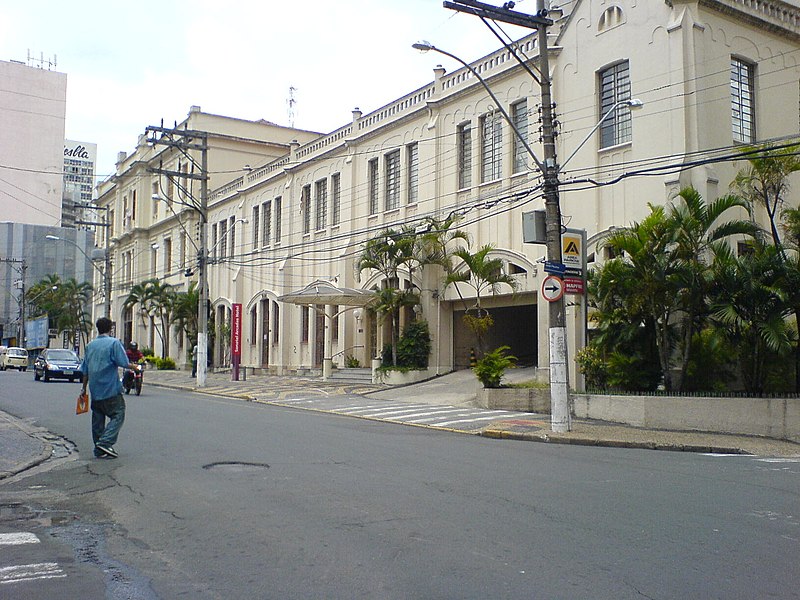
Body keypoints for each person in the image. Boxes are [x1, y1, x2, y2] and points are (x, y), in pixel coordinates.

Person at [80, 317, 138, 459]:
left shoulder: (90, 346)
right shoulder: (114, 343)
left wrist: (83, 389)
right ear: (110, 329)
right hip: (110, 388)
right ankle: (105, 442)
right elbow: (123, 362)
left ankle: (98, 448)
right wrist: (134, 367)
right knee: (118, 414)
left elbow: (85, 370)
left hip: (95, 389)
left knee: (97, 418)